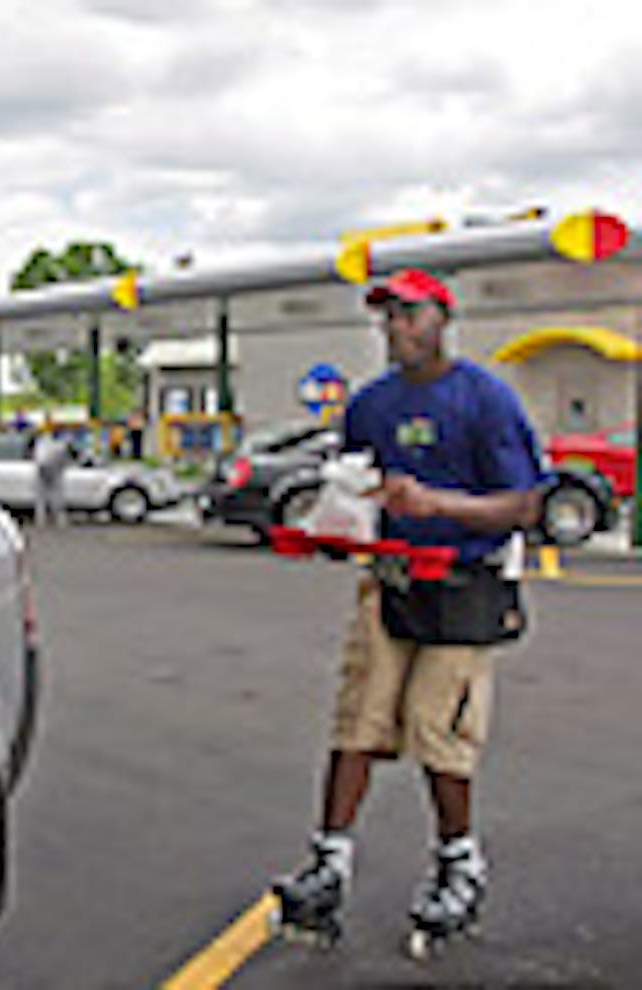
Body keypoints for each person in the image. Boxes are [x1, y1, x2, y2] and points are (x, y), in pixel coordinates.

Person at [272, 269, 544, 957]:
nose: (395, 326)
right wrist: (336, 526)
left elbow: (524, 504)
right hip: (389, 580)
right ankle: (328, 861)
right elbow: (360, 486)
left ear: (441, 319)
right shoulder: (369, 405)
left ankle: (459, 863)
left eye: (409, 313)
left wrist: (438, 505)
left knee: (435, 724)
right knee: (357, 715)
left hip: (463, 585)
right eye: (387, 315)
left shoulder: (484, 399)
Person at [32, 428, 71, 527]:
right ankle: (58, 519)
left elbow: (38, 457)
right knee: (56, 496)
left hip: (43, 470)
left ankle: (42, 519)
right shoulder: (60, 445)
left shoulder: (42, 442)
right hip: (52, 471)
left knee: (42, 496)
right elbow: (65, 460)